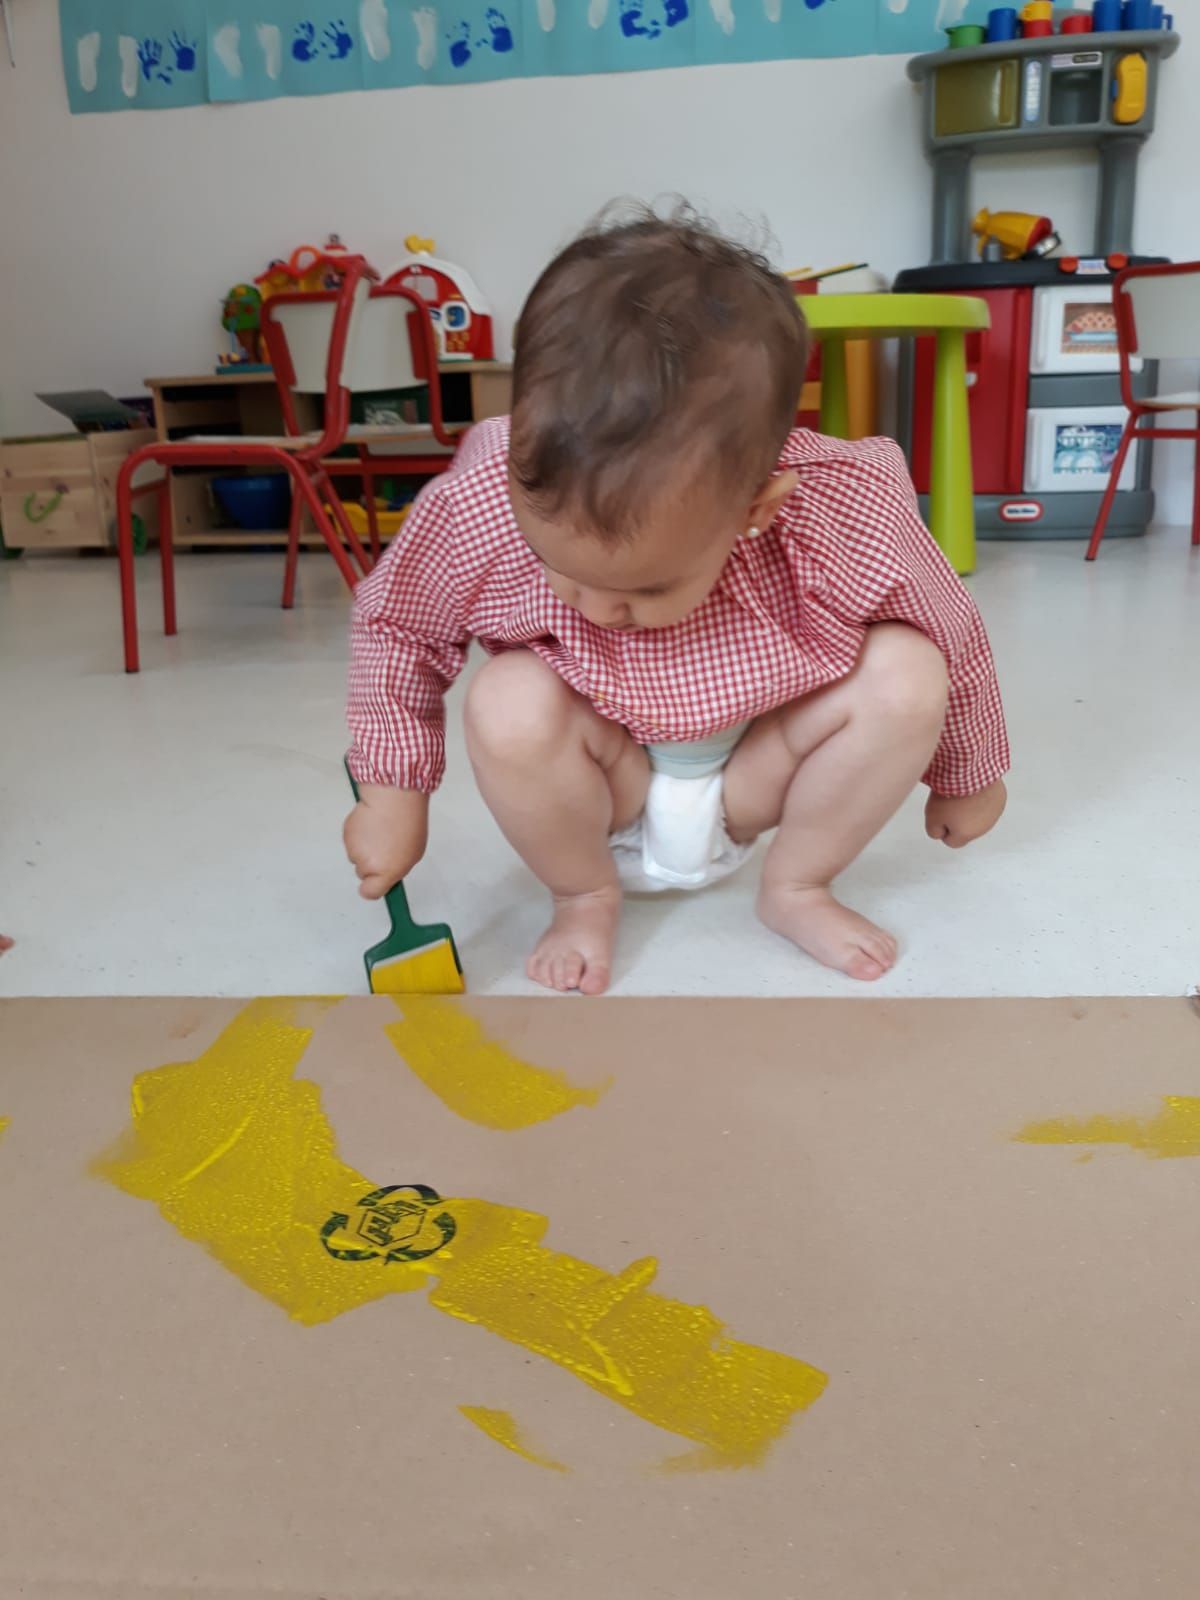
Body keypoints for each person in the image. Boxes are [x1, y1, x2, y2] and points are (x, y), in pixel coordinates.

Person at [345, 207, 1009, 995]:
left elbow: (952, 627)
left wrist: (968, 772)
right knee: (506, 697)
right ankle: (583, 896)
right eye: (559, 568)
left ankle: (798, 885)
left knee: (909, 669)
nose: (595, 608)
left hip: (759, 772)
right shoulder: (482, 500)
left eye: (646, 587)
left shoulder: (839, 508)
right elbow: (399, 628)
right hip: (602, 780)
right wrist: (393, 790)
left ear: (756, 508)